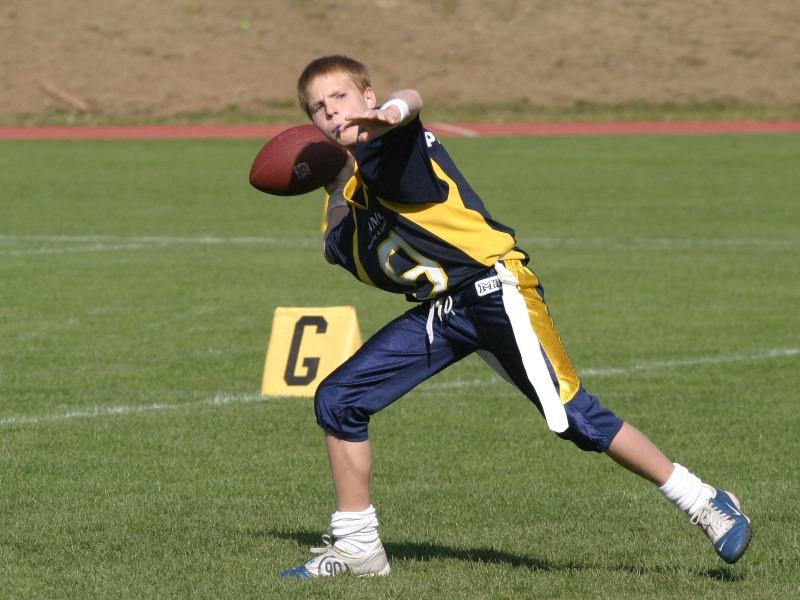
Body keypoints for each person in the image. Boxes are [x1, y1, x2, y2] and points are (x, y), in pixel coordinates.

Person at [278, 55, 752, 578]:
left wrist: (391, 112)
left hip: (494, 289)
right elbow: (336, 247)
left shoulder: (390, 147)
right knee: (340, 399)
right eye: (318, 108)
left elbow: (412, 100)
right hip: (445, 311)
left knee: (574, 418)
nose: (331, 111)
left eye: (340, 96)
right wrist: (333, 182)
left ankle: (704, 499)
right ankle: (358, 547)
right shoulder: (352, 191)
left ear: (366, 97)